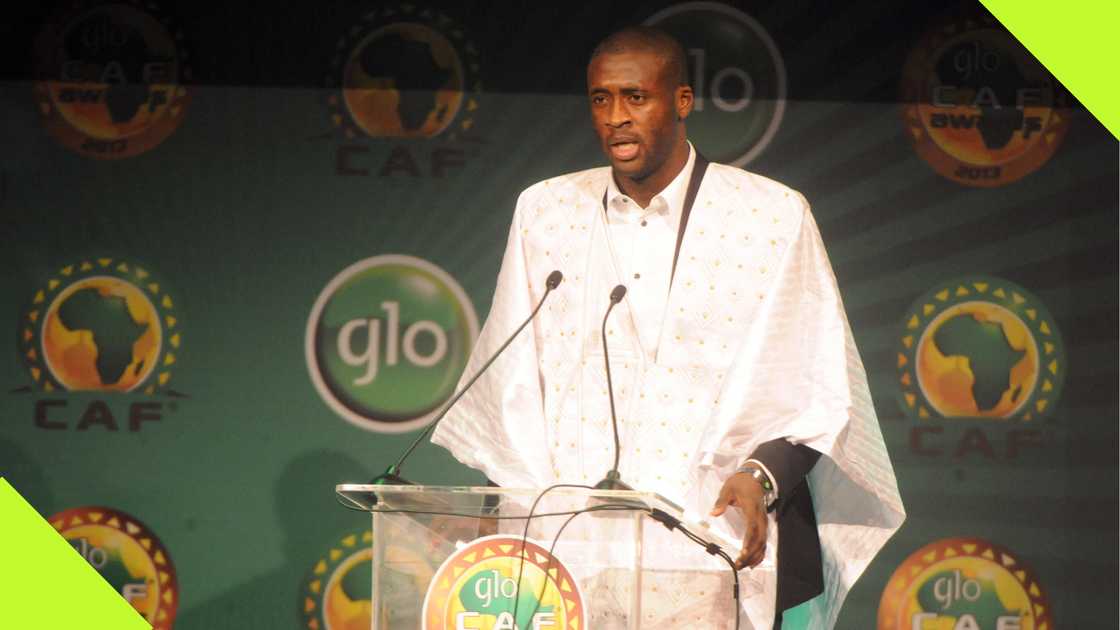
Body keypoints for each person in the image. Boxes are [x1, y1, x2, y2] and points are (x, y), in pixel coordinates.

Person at [432, 26, 904, 629]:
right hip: (572, 547)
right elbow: (513, 388)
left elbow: (813, 381)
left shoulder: (768, 214)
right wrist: (517, 513)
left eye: (636, 97)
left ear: (681, 101)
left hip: (707, 537)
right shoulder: (546, 210)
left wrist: (760, 478)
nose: (616, 118)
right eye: (601, 100)